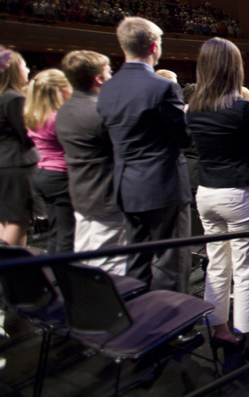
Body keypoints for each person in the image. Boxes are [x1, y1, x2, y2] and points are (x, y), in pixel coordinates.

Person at [185, 38, 249, 360]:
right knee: (248, 270)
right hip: (238, 193)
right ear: (233, 68)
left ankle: (220, 329)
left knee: (217, 265)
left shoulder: (192, 108)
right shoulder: (242, 107)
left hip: (206, 193)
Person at [97, 16, 193, 292]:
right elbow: (183, 138)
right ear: (154, 47)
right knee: (171, 260)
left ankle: (141, 321)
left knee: (136, 259)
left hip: (127, 186)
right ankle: (173, 326)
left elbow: (105, 137)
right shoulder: (163, 87)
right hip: (164, 186)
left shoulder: (107, 88)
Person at [56, 51, 127, 274]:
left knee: (85, 256)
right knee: (110, 263)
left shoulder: (65, 108)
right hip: (104, 194)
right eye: (109, 72)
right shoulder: (100, 111)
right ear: (98, 78)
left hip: (81, 192)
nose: (111, 76)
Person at [24, 69, 75, 254]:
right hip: (60, 176)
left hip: (43, 175)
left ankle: (55, 275)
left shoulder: (34, 115)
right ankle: (64, 279)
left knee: (56, 232)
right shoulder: (57, 118)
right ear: (60, 90)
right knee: (67, 234)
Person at [0, 51, 38, 246]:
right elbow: (28, 135)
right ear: (12, 71)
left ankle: (0, 270)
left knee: (5, 220)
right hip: (16, 166)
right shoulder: (14, 99)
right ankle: (11, 271)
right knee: (19, 220)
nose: (27, 70)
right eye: (24, 66)